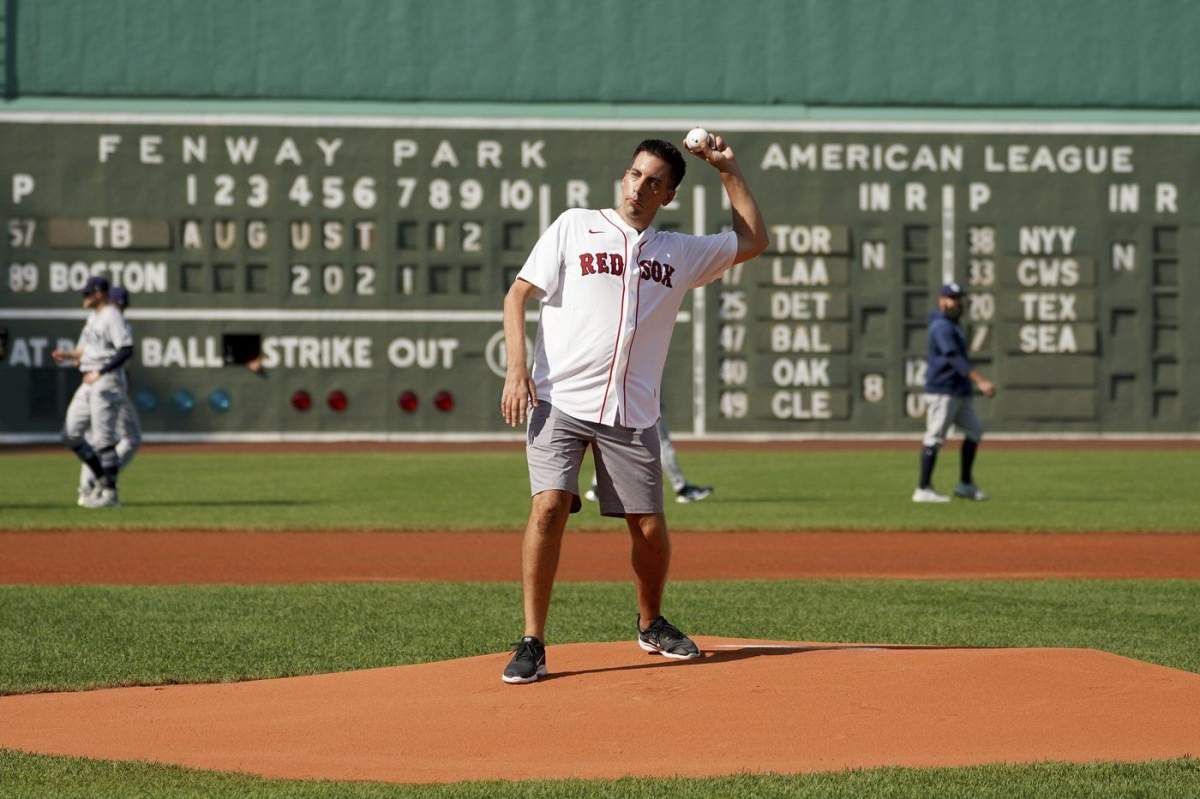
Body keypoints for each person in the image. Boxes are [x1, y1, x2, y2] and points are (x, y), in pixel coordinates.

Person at [499, 134, 768, 683]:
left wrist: (727, 168)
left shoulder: (680, 252)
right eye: (634, 174)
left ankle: (651, 623)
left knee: (647, 528)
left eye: (653, 183)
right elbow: (517, 294)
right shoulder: (575, 226)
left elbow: (753, 238)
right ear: (624, 177)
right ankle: (532, 641)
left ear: (667, 196)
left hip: (631, 409)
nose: (639, 187)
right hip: (559, 399)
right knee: (549, 506)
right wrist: (516, 368)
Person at [52, 276, 134, 509]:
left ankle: (110, 494)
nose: (84, 297)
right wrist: (68, 355)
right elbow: (82, 350)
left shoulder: (112, 315)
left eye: (87, 293)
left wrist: (101, 371)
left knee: (103, 439)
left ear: (99, 293)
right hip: (88, 380)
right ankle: (101, 477)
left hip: (106, 381)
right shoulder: (93, 318)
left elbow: (126, 349)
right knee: (70, 435)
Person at [912, 282, 997, 503]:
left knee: (974, 431)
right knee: (934, 436)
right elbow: (953, 357)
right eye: (951, 298)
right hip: (942, 390)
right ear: (941, 300)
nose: (956, 302)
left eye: (958, 298)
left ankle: (965, 484)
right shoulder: (942, 326)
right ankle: (923, 488)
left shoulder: (953, 324)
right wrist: (981, 381)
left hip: (958, 391)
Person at [77, 286, 142, 505]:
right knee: (119, 439)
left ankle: (89, 485)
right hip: (108, 385)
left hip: (101, 385)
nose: (119, 307)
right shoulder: (106, 323)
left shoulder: (104, 323)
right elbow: (121, 353)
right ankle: (97, 482)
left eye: (122, 304)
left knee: (96, 438)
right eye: (117, 303)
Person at [584, 411, 712, 503]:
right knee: (661, 442)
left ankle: (597, 488)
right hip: (643, 397)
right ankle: (682, 489)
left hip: (619, 398)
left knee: (613, 442)